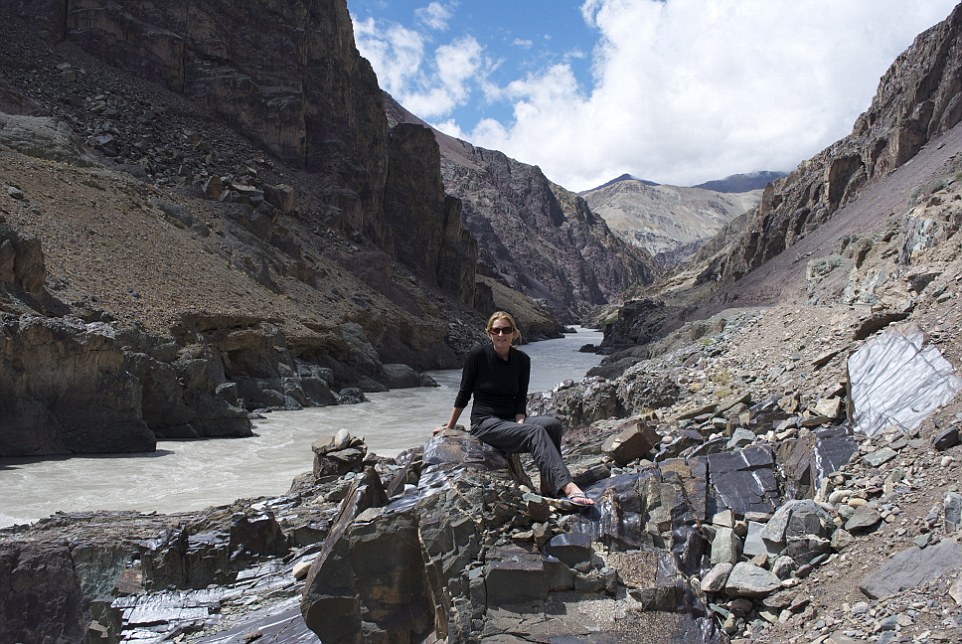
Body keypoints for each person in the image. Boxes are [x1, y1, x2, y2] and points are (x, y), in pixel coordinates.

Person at [435, 311, 595, 507]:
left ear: (514, 333)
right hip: (485, 422)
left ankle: (547, 485)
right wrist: (449, 427)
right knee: (535, 431)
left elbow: (520, 398)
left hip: (509, 419)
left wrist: (520, 420)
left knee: (551, 425)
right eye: (496, 330)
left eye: (506, 330)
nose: (501, 334)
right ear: (489, 333)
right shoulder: (478, 356)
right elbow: (464, 394)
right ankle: (567, 486)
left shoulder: (522, 360)